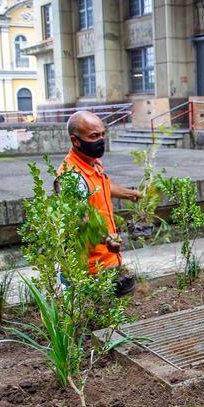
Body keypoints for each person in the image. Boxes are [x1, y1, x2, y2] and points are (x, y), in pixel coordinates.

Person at [58, 110, 140, 296]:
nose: (101, 140)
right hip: (88, 269)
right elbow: (81, 220)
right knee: (93, 321)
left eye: (103, 134)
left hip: (107, 260)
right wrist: (106, 239)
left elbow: (102, 186)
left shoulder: (92, 163)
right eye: (94, 136)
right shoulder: (72, 176)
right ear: (75, 140)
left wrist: (130, 194)